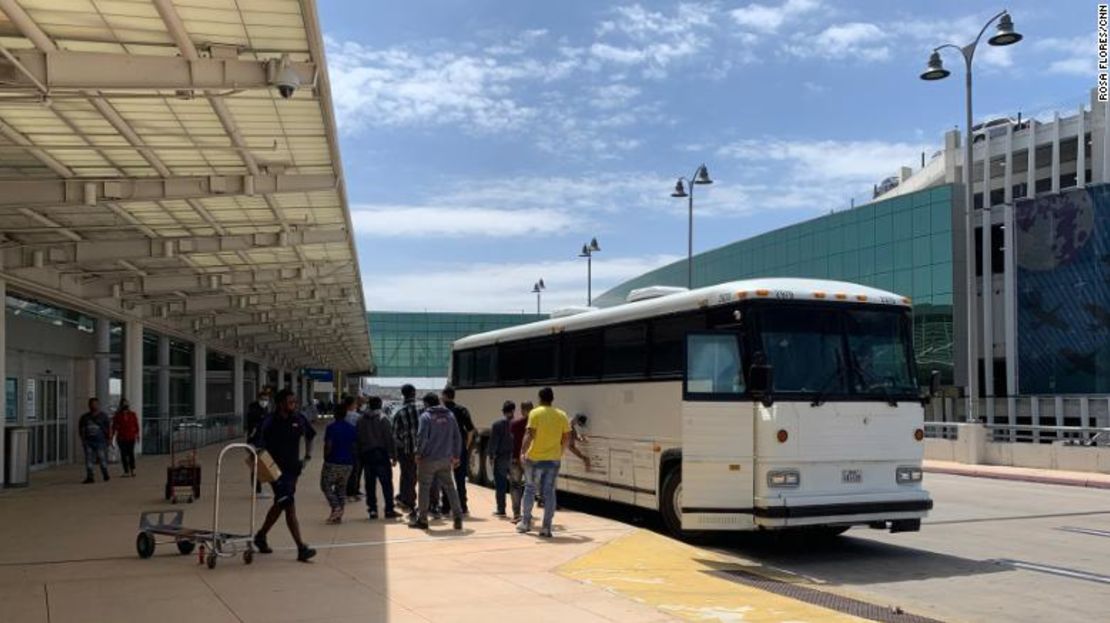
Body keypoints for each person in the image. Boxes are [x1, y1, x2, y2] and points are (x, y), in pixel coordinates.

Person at [254, 389, 317, 562]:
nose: (294, 405)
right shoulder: (268, 421)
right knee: (288, 503)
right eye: (290, 402)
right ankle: (301, 547)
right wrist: (266, 467)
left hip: (293, 469)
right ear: (280, 403)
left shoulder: (299, 419)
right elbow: (255, 445)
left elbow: (310, 436)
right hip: (274, 470)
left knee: (281, 503)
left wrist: (308, 456)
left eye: (295, 402)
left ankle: (261, 536)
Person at [517, 387, 570, 538]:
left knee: (530, 489)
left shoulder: (535, 413)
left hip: (534, 459)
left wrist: (522, 452)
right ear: (552, 399)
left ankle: (526, 523)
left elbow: (529, 434)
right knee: (549, 492)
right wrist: (560, 452)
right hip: (553, 460)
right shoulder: (561, 415)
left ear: (540, 398)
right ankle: (546, 527)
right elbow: (567, 437)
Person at [408, 393, 463, 531]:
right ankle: (458, 518)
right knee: (450, 488)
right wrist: (456, 455)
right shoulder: (450, 416)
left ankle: (423, 520)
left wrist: (418, 453)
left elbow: (422, 438)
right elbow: (457, 436)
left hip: (428, 459)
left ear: (426, 404)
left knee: (424, 488)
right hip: (445, 459)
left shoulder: (425, 417)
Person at [357, 396, 399, 520]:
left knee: (370, 484)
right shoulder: (383, 419)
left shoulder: (361, 419)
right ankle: (389, 509)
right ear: (380, 405)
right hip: (381, 455)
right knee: (386, 484)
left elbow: (358, 438)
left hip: (367, 455)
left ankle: (372, 510)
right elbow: (389, 439)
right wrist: (394, 456)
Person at [321, 396, 358, 523]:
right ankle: (338, 516)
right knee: (341, 489)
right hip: (348, 463)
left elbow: (328, 445)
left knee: (325, 485)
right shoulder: (352, 429)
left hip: (333, 461)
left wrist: (325, 457)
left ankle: (336, 507)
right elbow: (354, 446)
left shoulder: (331, 428)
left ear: (335, 413)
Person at [441, 386, 475, 515]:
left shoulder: (442, 411)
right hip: (459, 448)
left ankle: (446, 506)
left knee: (445, 479)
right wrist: (466, 445)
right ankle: (463, 506)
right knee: (460, 479)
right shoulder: (462, 410)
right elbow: (471, 429)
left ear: (445, 396)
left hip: (444, 449)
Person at [391, 383, 421, 516]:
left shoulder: (398, 412)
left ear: (402, 394)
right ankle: (406, 498)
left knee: (406, 474)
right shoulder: (421, 411)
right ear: (414, 393)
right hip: (419, 450)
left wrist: (395, 453)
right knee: (414, 476)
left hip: (405, 450)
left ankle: (408, 501)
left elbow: (394, 435)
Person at [488, 400, 515, 517]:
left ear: (503, 411)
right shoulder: (519, 423)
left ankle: (501, 509)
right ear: (513, 410)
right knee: (516, 485)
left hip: (502, 458)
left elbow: (494, 443)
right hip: (515, 458)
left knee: (501, 485)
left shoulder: (497, 425)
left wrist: (491, 456)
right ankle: (517, 511)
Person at [245, 390, 273, 497]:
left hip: (262, 442)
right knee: (258, 466)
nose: (265, 402)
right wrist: (251, 442)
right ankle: (257, 490)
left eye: (266, 400)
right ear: (258, 399)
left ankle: (258, 489)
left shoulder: (264, 410)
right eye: (263, 399)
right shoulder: (255, 411)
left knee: (261, 465)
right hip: (255, 443)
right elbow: (253, 429)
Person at [79, 398, 112, 484]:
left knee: (102, 458)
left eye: (95, 404)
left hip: (100, 441)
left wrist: (109, 439)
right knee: (89, 459)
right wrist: (83, 440)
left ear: (98, 405)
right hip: (88, 442)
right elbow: (82, 429)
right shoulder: (85, 417)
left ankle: (105, 474)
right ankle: (90, 476)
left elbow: (109, 428)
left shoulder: (103, 416)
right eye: (91, 404)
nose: (93, 406)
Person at [508, 400, 531, 522]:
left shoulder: (515, 424)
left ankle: (517, 515)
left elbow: (511, 441)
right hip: (530, 460)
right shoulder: (536, 424)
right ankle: (527, 514)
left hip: (516, 459)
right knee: (529, 487)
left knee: (515, 486)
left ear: (522, 410)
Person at [110, 400, 139, 478]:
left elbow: (136, 425)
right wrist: (112, 437)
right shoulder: (118, 416)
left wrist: (137, 435)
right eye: (124, 404)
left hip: (131, 437)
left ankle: (132, 469)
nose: (125, 405)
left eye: (126, 404)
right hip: (121, 438)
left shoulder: (132, 414)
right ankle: (126, 470)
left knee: (130, 453)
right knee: (123, 454)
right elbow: (114, 427)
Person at [346, 395, 366, 502]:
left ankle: (347, 490)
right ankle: (352, 492)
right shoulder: (357, 416)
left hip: (344, 444)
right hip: (355, 445)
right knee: (355, 469)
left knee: (347, 468)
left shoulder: (342, 415)